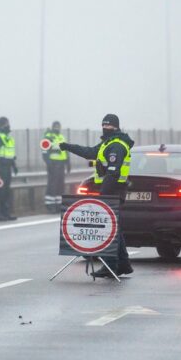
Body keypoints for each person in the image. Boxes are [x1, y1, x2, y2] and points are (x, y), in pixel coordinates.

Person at [59, 113, 134, 277]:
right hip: (111, 192)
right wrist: (68, 146)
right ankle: (123, 265)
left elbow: (113, 173)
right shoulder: (108, 143)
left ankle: (111, 266)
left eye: (108, 125)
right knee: (114, 229)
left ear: (116, 126)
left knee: (108, 229)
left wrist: (103, 196)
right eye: (103, 125)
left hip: (113, 191)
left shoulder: (117, 146)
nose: (105, 128)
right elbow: (90, 152)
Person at [0, 116, 18, 221]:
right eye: (7, 123)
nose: (8, 126)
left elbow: (10, 154)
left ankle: (6, 213)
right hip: (0, 169)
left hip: (8, 168)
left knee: (6, 191)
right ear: (2, 124)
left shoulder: (8, 137)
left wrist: (14, 166)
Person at [42, 121, 70, 214]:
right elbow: (44, 152)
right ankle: (50, 205)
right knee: (52, 185)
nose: (57, 128)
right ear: (53, 127)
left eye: (59, 126)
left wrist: (68, 162)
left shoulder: (61, 137)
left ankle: (59, 205)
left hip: (61, 164)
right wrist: (49, 163)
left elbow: (65, 150)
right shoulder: (48, 137)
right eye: (56, 126)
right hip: (53, 164)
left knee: (60, 185)